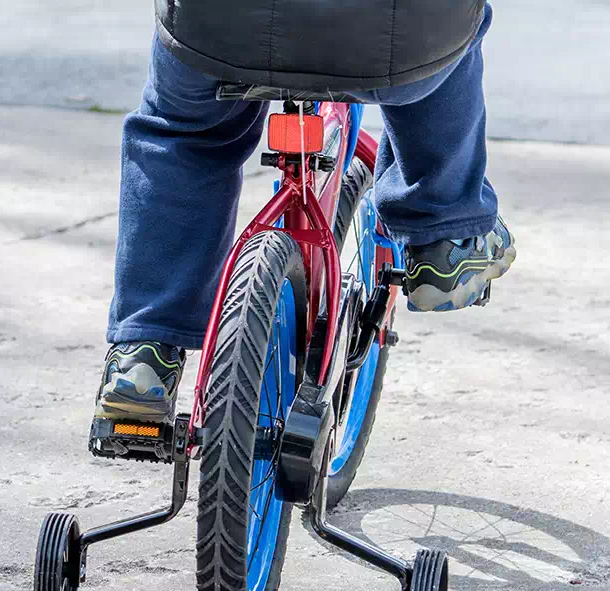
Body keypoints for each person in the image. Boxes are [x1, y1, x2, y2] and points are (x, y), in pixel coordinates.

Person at [95, 2, 514, 426]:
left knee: (183, 131)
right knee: (445, 29)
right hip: (393, 37)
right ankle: (445, 237)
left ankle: (145, 352)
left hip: (220, 31)